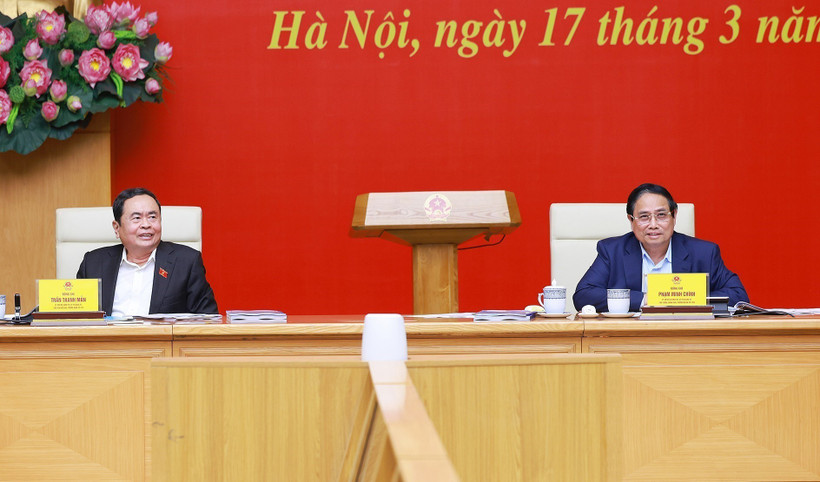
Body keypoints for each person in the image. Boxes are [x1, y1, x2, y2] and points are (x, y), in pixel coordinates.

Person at [573, 183, 748, 312]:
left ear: (674, 216)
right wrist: (646, 299)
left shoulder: (703, 253)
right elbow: (583, 295)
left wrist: (685, 299)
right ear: (631, 220)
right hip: (629, 338)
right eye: (644, 217)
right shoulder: (612, 251)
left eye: (661, 215)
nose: (653, 224)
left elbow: (738, 296)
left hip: (685, 337)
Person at [77, 187, 218, 316]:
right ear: (116, 227)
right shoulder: (93, 263)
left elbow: (208, 319)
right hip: (108, 336)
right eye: (137, 218)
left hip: (161, 337)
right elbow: (78, 319)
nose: (146, 224)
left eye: (152, 217)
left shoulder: (186, 262)